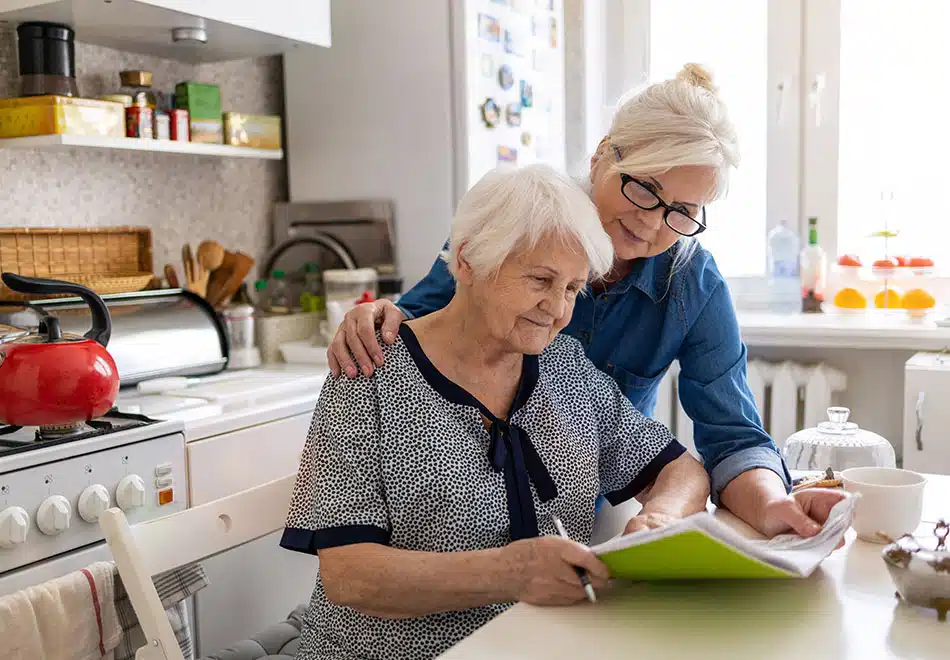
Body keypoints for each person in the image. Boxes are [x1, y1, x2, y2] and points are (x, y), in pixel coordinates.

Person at [327, 63, 847, 539]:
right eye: (644, 188)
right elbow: (419, 326)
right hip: (460, 516)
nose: (649, 221)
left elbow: (732, 437)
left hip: (587, 514)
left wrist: (774, 503)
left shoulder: (693, 284)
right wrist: (374, 316)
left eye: (682, 210)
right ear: (602, 155)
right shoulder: (516, 226)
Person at [281, 164, 710, 659]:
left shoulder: (564, 368)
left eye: (572, 289)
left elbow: (681, 470)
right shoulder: (370, 369)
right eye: (540, 279)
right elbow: (350, 577)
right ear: (467, 262)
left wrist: (658, 519)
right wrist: (509, 573)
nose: (556, 308)